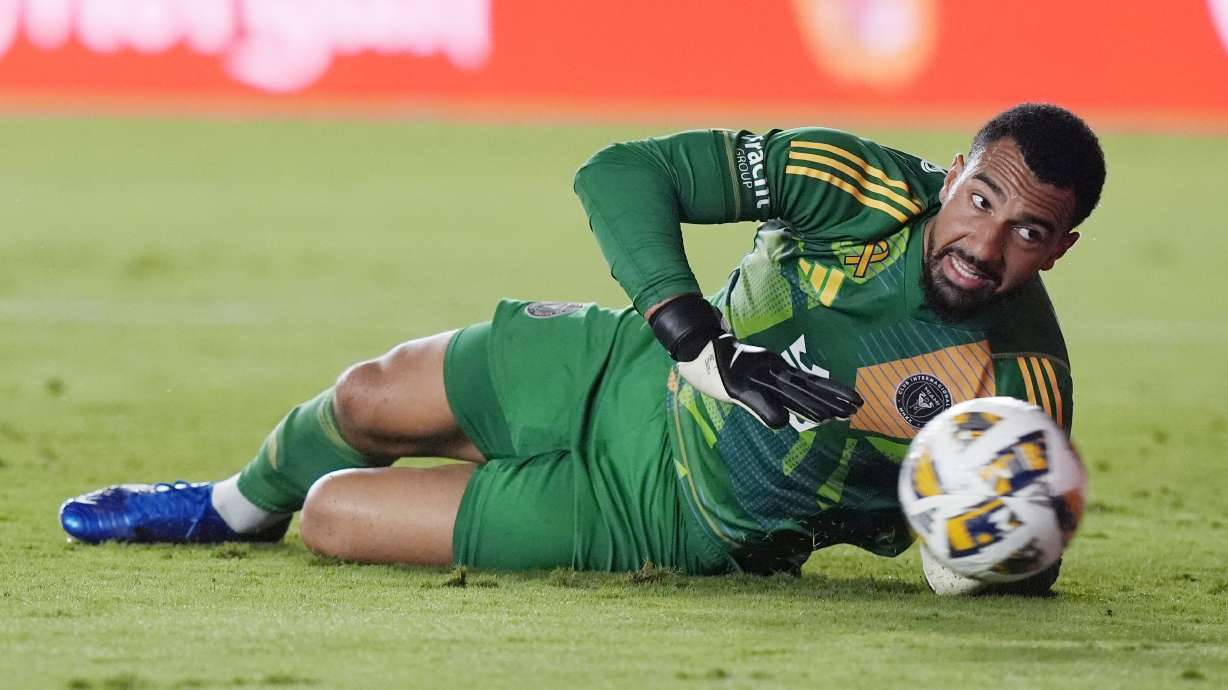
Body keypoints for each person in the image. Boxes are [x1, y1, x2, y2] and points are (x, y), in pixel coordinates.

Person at [59, 103, 1105, 593]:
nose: (983, 243)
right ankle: (229, 510)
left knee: (334, 515)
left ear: (1058, 249)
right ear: (956, 168)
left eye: (1026, 231)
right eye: (979, 199)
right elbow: (620, 171)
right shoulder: (856, 185)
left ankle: (324, 504)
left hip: (669, 512)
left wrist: (986, 556)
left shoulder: (1019, 389)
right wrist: (693, 337)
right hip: (629, 368)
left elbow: (1000, 535)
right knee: (369, 394)